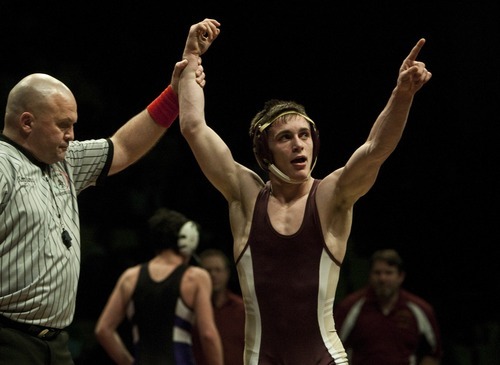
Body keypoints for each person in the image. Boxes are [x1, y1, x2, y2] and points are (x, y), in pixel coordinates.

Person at [178, 18, 432, 364]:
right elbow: (193, 127)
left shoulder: (331, 195)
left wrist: (401, 95)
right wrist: (192, 53)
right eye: (285, 137)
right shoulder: (245, 195)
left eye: (304, 135)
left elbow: (375, 149)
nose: (299, 145)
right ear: (264, 151)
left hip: (324, 358)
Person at [0, 20, 218, 365]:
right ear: (27, 123)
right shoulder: (3, 165)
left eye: (73, 124)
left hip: (55, 344)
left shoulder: (64, 160)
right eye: (63, 125)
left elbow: (124, 147)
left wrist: (174, 94)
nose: (72, 134)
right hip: (8, 340)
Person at [94, 208, 223, 365]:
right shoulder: (195, 277)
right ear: (187, 241)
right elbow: (208, 334)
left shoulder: (130, 277)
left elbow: (103, 330)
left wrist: (129, 362)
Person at [333, 249, 443, 365]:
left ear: (400, 276)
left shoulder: (419, 309)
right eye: (377, 273)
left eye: (388, 273)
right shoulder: (350, 307)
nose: (382, 279)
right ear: (370, 275)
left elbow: (434, 353)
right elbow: (330, 349)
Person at [192, 248, 246, 365]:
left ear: (227, 272)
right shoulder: (191, 311)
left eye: (218, 270)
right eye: (208, 270)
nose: (213, 275)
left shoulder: (242, 309)